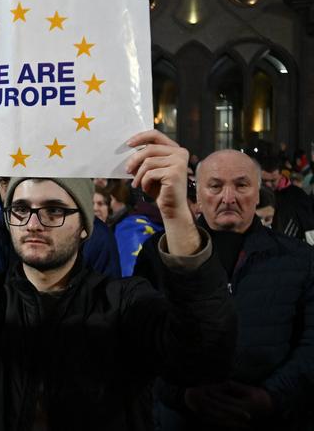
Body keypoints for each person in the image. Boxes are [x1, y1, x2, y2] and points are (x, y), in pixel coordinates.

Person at [0, 127, 236, 430]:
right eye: (20, 209)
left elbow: (201, 354)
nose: (33, 224)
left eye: (54, 210)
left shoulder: (124, 303)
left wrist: (176, 216)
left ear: (86, 226)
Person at [134, 149, 314, 430]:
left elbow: (311, 345)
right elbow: (142, 345)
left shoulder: (301, 259)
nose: (228, 198)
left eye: (241, 185)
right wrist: (182, 395)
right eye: (215, 186)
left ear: (258, 193)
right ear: (198, 196)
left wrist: (270, 397)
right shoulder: (158, 254)